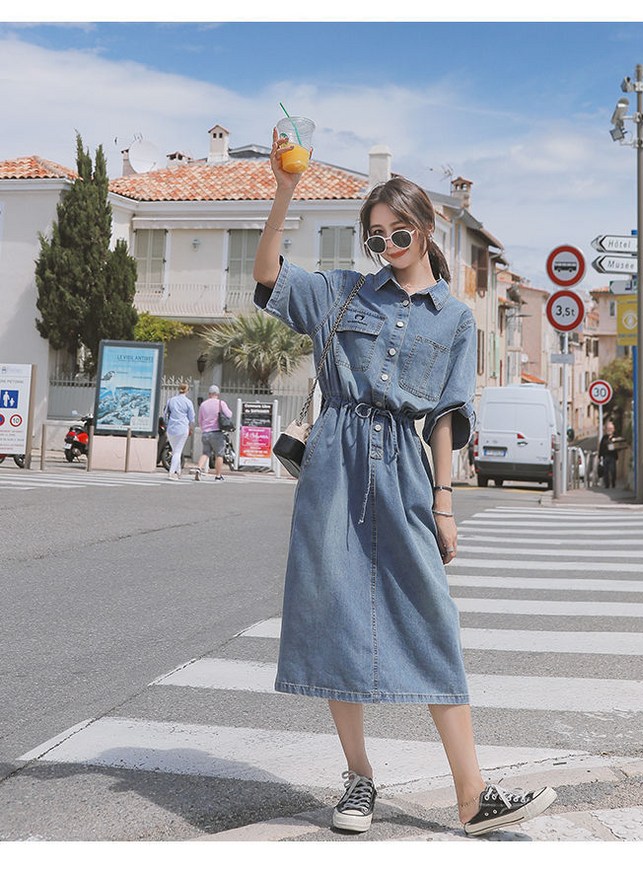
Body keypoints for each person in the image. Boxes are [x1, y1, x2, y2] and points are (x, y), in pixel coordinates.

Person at [251, 127, 556, 837]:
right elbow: (267, 276)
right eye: (376, 236)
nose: (386, 246)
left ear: (424, 231)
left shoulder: (455, 318)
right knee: (335, 614)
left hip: (403, 466)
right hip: (334, 462)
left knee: (432, 618)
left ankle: (471, 794)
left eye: (398, 234)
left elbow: (447, 414)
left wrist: (444, 503)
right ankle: (359, 777)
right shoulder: (343, 291)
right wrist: (285, 190)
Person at [194, 385, 232, 481]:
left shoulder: (203, 405)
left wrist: (203, 429)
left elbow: (200, 419)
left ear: (209, 394)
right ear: (218, 394)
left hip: (205, 433)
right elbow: (229, 414)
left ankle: (199, 468)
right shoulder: (221, 403)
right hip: (217, 432)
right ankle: (218, 475)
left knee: (205, 453)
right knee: (219, 454)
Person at [163, 382, 195, 480]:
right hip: (182, 428)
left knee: (175, 450)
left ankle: (179, 471)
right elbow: (192, 418)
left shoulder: (171, 400)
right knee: (177, 451)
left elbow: (165, 414)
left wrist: (166, 426)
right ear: (187, 390)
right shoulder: (188, 402)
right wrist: (191, 428)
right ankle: (172, 472)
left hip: (171, 428)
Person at [598, 418, 619, 488]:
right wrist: (599, 456)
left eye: (611, 428)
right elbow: (601, 447)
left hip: (612, 456)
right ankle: (607, 484)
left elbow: (618, 446)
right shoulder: (604, 438)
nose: (609, 430)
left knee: (613, 471)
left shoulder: (615, 437)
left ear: (613, 430)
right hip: (605, 456)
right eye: (608, 428)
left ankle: (613, 483)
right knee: (605, 471)